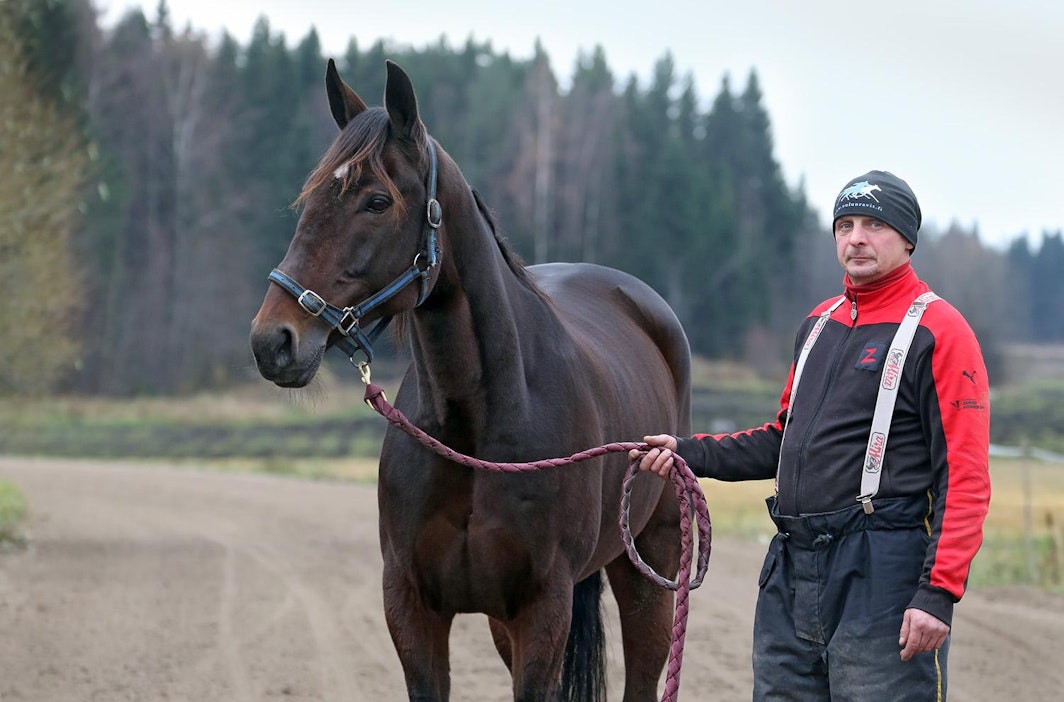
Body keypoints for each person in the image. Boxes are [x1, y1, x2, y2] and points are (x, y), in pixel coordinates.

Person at [632, 170, 990, 701]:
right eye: (845, 226)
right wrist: (687, 452)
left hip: (882, 574)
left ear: (908, 239)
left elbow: (965, 477)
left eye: (873, 225)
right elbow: (783, 440)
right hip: (792, 569)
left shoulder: (941, 331)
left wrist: (938, 593)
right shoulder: (818, 324)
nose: (856, 238)